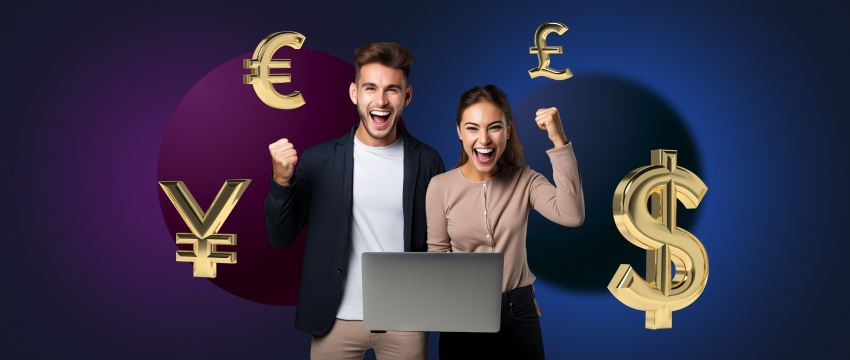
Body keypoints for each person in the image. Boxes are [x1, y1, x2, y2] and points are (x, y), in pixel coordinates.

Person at [264, 42, 445, 360]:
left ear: (407, 96)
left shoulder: (428, 160)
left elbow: (442, 241)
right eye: (370, 88)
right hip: (334, 321)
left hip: (406, 321)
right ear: (354, 93)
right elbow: (280, 237)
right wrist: (281, 180)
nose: (381, 100)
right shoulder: (318, 159)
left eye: (392, 90)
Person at [425, 85, 585, 359]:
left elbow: (572, 215)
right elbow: (437, 257)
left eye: (495, 127)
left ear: (508, 131)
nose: (484, 139)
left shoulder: (526, 180)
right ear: (459, 131)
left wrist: (558, 139)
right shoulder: (440, 187)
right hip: (463, 309)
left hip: (518, 307)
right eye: (473, 128)